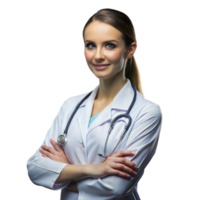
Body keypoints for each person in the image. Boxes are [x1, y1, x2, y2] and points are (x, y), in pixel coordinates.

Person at [24, 8, 164, 200]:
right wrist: (96, 169)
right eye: (90, 45)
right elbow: (33, 169)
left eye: (109, 45)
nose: (98, 55)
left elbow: (116, 186)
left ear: (130, 49)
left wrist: (64, 172)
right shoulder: (69, 106)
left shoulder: (147, 112)